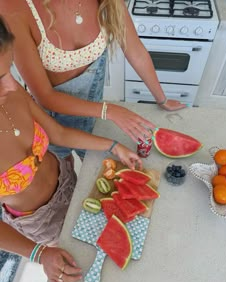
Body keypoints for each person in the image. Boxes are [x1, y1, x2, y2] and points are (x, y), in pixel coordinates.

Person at [0, 16, 143, 282]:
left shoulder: (10, 90)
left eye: (9, 70)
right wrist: (39, 253)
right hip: (41, 221)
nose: (11, 84)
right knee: (90, 269)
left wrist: (113, 146)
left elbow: (59, 134)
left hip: (69, 179)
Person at [0, 0, 187, 162]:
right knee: (66, 173)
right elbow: (45, 96)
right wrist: (110, 111)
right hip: (53, 122)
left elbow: (135, 50)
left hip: (95, 115)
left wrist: (161, 99)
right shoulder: (13, 7)